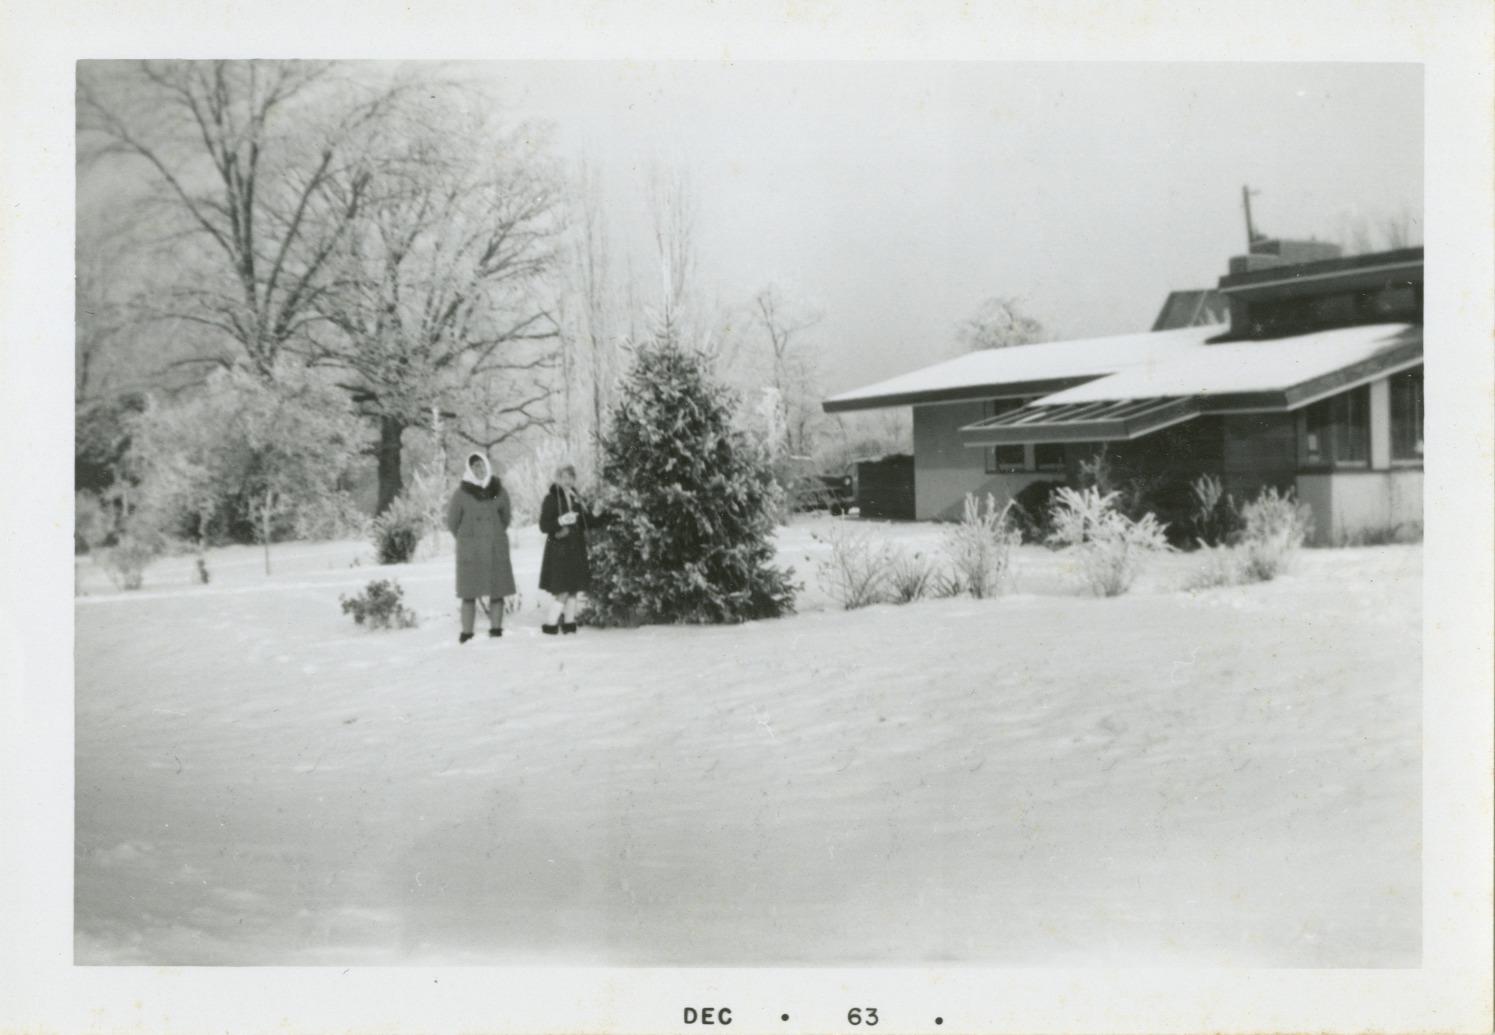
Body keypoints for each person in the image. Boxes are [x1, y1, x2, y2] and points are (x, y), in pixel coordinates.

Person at [445, 452, 517, 644]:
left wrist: (494, 533)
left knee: (497, 590)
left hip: (495, 547)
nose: (479, 469)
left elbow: (505, 518)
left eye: (482, 465)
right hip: (471, 550)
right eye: (475, 466)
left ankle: (496, 629)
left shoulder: (499, 491)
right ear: (469, 469)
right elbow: (452, 522)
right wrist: (467, 539)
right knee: (468, 593)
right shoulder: (461, 493)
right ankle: (467, 632)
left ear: (487, 466)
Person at [537, 463, 604, 635]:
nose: (567, 481)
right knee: (563, 589)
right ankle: (550, 625)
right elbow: (544, 526)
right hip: (559, 550)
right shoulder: (551, 498)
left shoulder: (576, 497)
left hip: (575, 548)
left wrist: (595, 515)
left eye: (570, 477)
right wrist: (561, 521)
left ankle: (569, 624)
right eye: (564, 477)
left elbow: (585, 522)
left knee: (573, 587)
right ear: (558, 479)